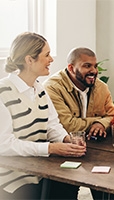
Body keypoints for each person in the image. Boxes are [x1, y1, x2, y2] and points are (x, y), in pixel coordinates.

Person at [0, 32, 86, 199]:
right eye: (47, 55)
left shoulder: (40, 89)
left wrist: (66, 140)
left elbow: (52, 125)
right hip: (13, 179)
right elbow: (4, 144)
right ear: (29, 60)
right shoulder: (3, 93)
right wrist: (50, 148)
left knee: (70, 185)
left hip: (42, 170)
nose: (51, 59)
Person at [43, 47, 114, 199]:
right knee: (64, 193)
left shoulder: (101, 87)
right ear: (71, 68)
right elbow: (67, 125)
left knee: (108, 188)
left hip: (97, 151)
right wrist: (97, 121)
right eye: (87, 66)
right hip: (63, 151)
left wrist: (101, 125)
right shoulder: (53, 87)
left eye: (95, 66)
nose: (94, 71)